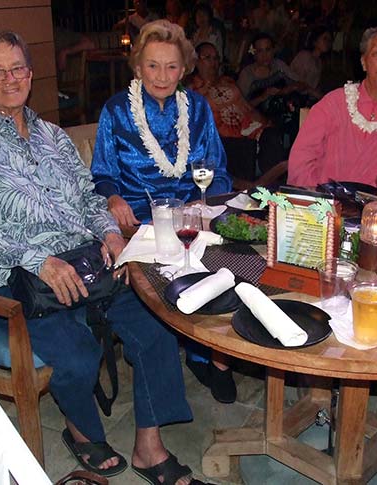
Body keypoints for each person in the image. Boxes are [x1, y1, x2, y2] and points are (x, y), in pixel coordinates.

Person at [0, 29, 210, 485]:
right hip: (20, 276)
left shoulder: (53, 136)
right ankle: (80, 429)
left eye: (18, 68)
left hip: (87, 263)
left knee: (156, 319)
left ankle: (149, 445)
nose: (11, 78)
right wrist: (38, 258)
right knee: (78, 355)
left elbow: (88, 197)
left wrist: (110, 234)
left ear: (30, 72)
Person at [89, 20, 236, 404]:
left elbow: (217, 170)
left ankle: (211, 355)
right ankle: (184, 349)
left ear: (184, 69)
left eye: (171, 66)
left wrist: (204, 204)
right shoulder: (117, 111)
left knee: (228, 269)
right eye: (153, 65)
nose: (162, 75)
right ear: (138, 68)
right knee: (167, 282)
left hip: (191, 215)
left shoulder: (198, 109)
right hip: (138, 223)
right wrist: (113, 199)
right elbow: (102, 174)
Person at [287, 24, 377, 187]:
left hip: (376, 208)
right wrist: (316, 200)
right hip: (323, 204)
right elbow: (301, 158)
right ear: (363, 62)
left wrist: (375, 208)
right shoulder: (334, 102)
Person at [187, 42, 286, 185]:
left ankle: (271, 191)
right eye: (207, 58)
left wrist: (265, 123)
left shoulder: (227, 80)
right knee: (241, 146)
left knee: (271, 135)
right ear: (196, 61)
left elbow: (245, 106)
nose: (213, 62)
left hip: (246, 128)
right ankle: (246, 193)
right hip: (221, 135)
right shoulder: (192, 88)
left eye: (216, 58)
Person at [237, 32, 309, 145]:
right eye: (260, 51)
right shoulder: (247, 74)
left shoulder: (278, 65)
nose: (265, 55)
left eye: (268, 50)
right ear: (254, 53)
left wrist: (288, 89)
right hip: (259, 119)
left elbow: (302, 84)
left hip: (283, 112)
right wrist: (263, 97)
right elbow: (240, 106)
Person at [290, 26, 333, 100]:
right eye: (324, 38)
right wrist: (316, 94)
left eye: (329, 40)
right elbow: (297, 83)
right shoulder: (305, 56)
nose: (327, 43)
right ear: (315, 41)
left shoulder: (319, 62)